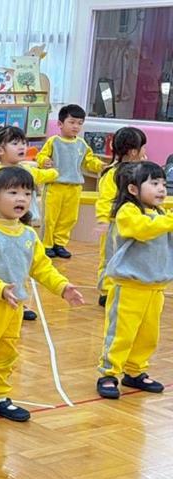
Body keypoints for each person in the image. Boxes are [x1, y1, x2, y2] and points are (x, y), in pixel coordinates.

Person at [0, 167, 84, 431]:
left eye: (27, 193)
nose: (21, 198)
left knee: (6, 354)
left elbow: (41, 267)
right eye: (12, 192)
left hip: (14, 308)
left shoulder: (28, 235)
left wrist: (62, 286)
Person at [0, 126, 59, 322]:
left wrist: (52, 169)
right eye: (15, 143)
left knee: (18, 262)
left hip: (18, 226)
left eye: (24, 143)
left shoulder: (27, 171)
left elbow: (46, 175)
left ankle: (18, 299)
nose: (22, 147)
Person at [96, 161, 171, 399]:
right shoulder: (128, 212)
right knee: (121, 333)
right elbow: (142, 229)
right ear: (133, 189)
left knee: (148, 335)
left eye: (163, 184)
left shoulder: (161, 214)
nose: (161, 189)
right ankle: (109, 373)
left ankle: (135, 370)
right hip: (129, 287)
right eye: (154, 183)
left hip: (155, 287)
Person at [36, 104, 106, 258]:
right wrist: (44, 161)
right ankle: (47, 244)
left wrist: (99, 165)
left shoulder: (82, 144)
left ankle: (59, 243)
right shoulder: (54, 141)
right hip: (55, 186)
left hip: (74, 187)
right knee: (50, 217)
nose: (76, 126)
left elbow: (89, 161)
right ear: (60, 124)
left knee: (69, 218)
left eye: (80, 123)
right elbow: (41, 156)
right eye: (72, 122)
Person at [94, 127, 147, 306]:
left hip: (132, 224)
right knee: (110, 257)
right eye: (143, 147)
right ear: (133, 152)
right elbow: (105, 199)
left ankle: (124, 287)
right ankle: (107, 290)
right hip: (114, 225)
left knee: (129, 255)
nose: (145, 151)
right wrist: (103, 219)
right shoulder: (112, 173)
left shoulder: (140, 172)